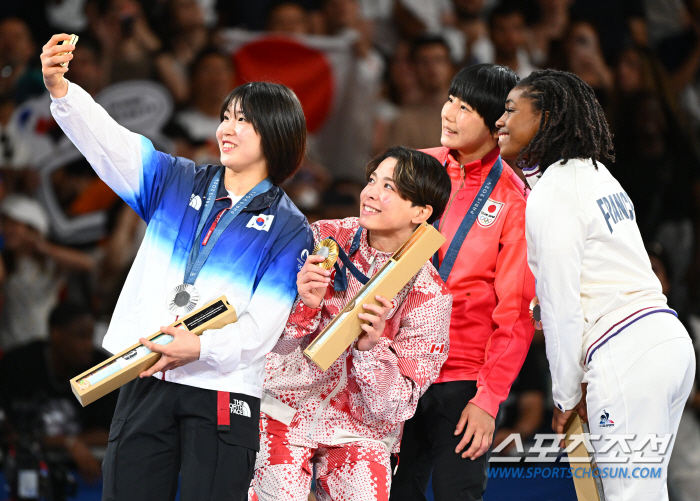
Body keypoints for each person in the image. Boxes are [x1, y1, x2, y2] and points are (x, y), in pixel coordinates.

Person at [41, 33, 313, 501]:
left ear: (277, 133)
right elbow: (112, 145)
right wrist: (61, 90)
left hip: (222, 386)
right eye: (226, 117)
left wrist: (201, 347)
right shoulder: (177, 178)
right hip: (147, 372)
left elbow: (263, 326)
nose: (226, 128)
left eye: (243, 121)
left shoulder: (290, 229)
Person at [495, 68, 695, 500]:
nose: (500, 122)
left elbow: (562, 303)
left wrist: (564, 396)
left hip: (627, 350)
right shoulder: (598, 175)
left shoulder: (555, 190)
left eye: (511, 110)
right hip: (665, 342)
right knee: (644, 491)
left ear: (546, 119)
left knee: (628, 495)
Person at [249, 146, 453, 501]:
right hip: (284, 407)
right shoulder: (322, 238)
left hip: (363, 430)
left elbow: (398, 405)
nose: (371, 192)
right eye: (372, 180)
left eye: (389, 187)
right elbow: (262, 342)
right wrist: (304, 307)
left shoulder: (430, 295)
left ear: (421, 211)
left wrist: (372, 349)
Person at [391, 64, 536, 501]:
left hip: (462, 381)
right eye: (451, 100)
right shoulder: (410, 170)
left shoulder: (514, 199)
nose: (449, 113)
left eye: (466, 107)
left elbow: (514, 312)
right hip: (395, 372)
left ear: (497, 124)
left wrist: (488, 400)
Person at [0, 303, 117, 483]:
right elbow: (13, 433)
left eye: (91, 337)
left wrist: (71, 442)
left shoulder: (100, 369)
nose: (88, 345)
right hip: (20, 470)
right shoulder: (19, 364)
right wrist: (67, 442)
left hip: (82, 475)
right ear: (56, 333)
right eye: (80, 336)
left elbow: (112, 431)